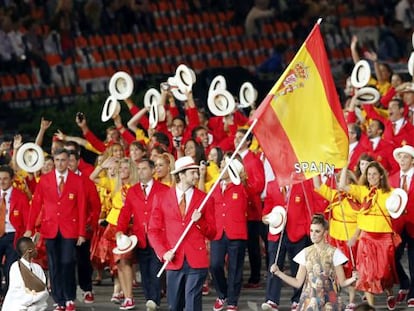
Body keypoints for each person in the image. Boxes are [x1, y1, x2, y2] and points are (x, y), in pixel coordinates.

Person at [148, 156, 216, 311]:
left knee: (192, 303)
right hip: (173, 259)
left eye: (197, 172)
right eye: (193, 173)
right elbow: (153, 230)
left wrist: (200, 222)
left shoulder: (205, 199)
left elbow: (212, 233)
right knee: (175, 305)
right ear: (181, 175)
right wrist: (163, 252)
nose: (197, 176)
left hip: (197, 259)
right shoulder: (161, 197)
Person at [24, 149, 87, 311]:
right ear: (53, 161)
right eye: (57, 160)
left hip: (70, 228)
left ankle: (69, 298)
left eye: (63, 160)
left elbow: (81, 208)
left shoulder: (77, 180)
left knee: (67, 262)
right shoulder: (45, 180)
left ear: (68, 161)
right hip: (50, 227)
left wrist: (81, 232)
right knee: (54, 265)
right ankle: (59, 300)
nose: (60, 163)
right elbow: (36, 205)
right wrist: (29, 228)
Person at [339, 161, 398, 310]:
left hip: (384, 236)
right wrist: (344, 166)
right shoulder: (362, 191)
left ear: (380, 176)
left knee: (384, 272)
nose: (371, 177)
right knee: (366, 273)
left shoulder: (390, 192)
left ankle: (389, 291)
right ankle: (370, 307)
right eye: (369, 174)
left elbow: (399, 208)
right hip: (366, 237)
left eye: (374, 174)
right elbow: (342, 186)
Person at [270, 214, 358, 311]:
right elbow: (298, 282)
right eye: (311, 231)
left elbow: (342, 282)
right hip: (309, 304)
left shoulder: (334, 253)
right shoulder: (305, 253)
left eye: (317, 231)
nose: (313, 234)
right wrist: (279, 273)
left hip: (330, 303)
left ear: (325, 233)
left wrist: (354, 278)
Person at [116, 158, 169, 310]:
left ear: (152, 171)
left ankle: (154, 299)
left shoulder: (163, 189)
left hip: (158, 237)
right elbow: (125, 213)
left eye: (144, 169)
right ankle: (149, 298)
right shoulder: (132, 191)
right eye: (138, 169)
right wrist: (120, 229)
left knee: (155, 269)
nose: (140, 172)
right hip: (140, 238)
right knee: (144, 270)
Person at [210, 156, 248, 311]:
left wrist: (238, 175)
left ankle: (232, 301)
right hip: (218, 233)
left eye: (224, 164)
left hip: (236, 233)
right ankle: (222, 293)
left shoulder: (242, 187)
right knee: (215, 265)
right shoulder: (214, 186)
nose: (220, 166)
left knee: (235, 269)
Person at [388, 145, 414, 307]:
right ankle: (404, 283)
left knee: (413, 261)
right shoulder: (392, 178)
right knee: (392, 258)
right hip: (397, 226)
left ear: (412, 160)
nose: (402, 160)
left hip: (413, 225)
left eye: (406, 157)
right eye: (401, 157)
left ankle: (413, 293)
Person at [0, 165, 30, 297]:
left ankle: (8, 297)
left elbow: (27, 218)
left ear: (12, 179)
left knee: (10, 269)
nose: (2, 181)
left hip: (13, 235)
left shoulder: (20, 196)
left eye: (5, 179)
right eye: (0, 179)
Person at [1, 236, 48, 311]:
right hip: (18, 307)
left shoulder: (38, 268)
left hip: (37, 306)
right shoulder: (15, 267)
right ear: (29, 250)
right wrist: (33, 298)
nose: (37, 250)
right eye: (35, 248)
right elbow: (17, 292)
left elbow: (44, 291)